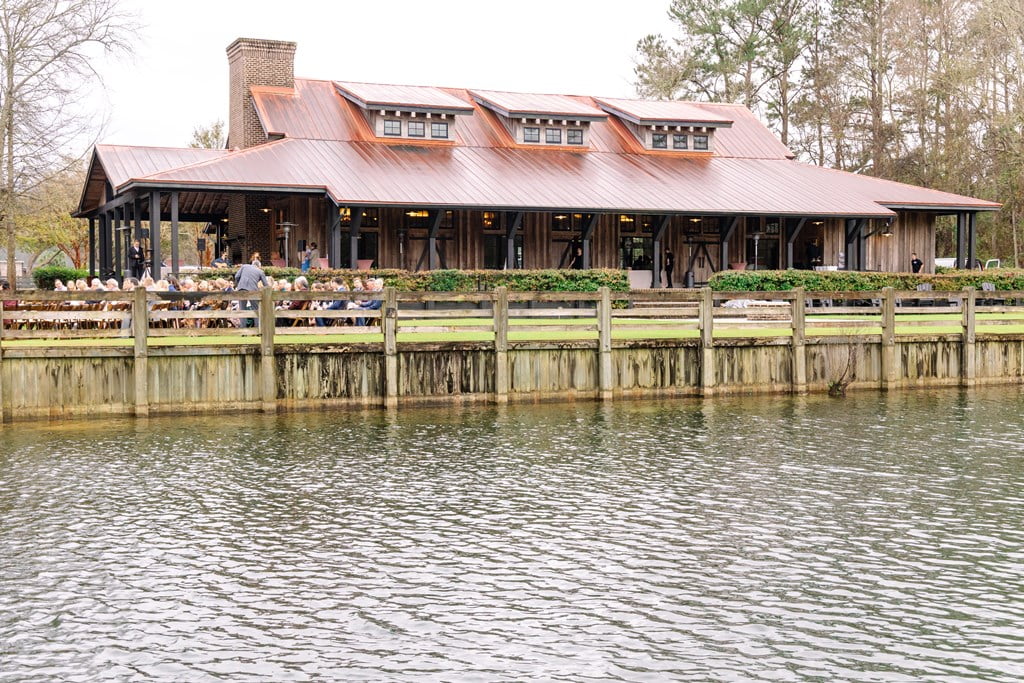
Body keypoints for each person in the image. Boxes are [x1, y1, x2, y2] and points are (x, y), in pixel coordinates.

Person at [234, 262, 269, 327]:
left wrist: (239, 285)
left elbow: (237, 276)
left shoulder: (244, 266)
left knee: (242, 309)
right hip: (253, 290)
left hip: (241, 289)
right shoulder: (260, 271)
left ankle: (243, 330)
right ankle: (257, 329)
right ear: (259, 266)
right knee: (256, 309)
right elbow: (266, 285)